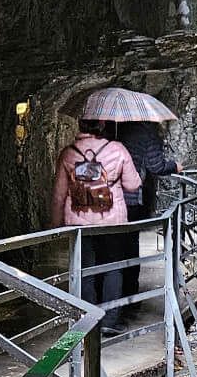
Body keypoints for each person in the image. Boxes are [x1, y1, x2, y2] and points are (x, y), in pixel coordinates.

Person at [50, 123, 140, 333]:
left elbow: (59, 194)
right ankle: (109, 321)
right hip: (112, 222)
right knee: (113, 269)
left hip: (78, 223)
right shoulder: (117, 149)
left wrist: (55, 226)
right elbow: (132, 185)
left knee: (85, 270)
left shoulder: (68, 153)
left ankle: (88, 319)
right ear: (102, 126)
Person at [114, 118, 182, 295]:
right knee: (130, 245)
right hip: (130, 198)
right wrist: (175, 166)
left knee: (111, 246)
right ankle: (129, 293)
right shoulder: (148, 135)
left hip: (109, 198)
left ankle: (107, 293)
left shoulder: (119, 130)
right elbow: (156, 166)